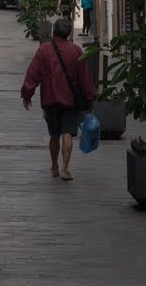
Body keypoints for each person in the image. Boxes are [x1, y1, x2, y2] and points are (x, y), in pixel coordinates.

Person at [21, 17, 96, 182]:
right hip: (70, 101)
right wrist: (90, 98)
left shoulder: (44, 50)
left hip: (50, 100)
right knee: (67, 133)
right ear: (69, 33)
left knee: (54, 135)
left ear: (54, 31)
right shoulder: (76, 51)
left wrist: (27, 94)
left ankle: (54, 165)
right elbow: (85, 78)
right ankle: (65, 168)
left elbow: (33, 74)